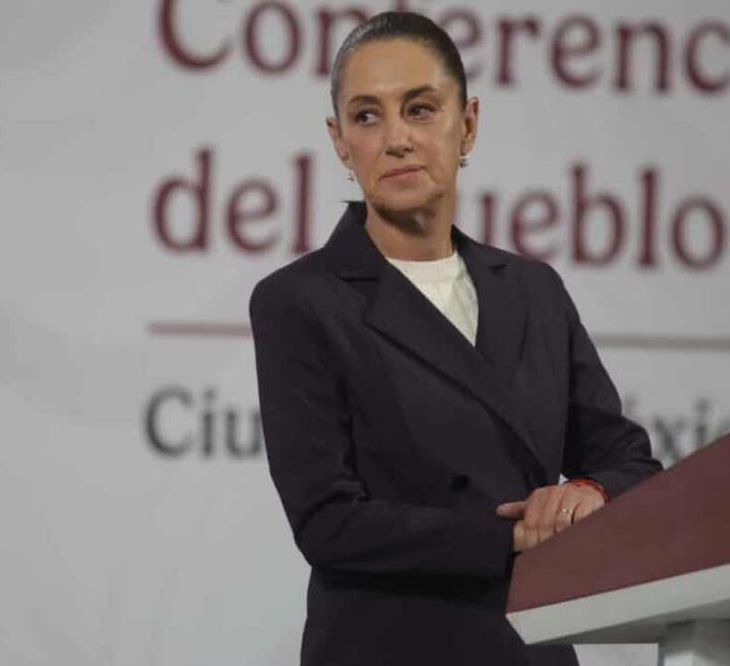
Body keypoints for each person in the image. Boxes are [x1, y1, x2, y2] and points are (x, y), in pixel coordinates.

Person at [249, 11, 662, 666]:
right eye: (366, 117)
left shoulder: (534, 292)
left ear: (467, 124)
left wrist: (588, 494)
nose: (395, 139)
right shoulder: (300, 300)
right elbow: (327, 523)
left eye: (419, 109)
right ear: (338, 142)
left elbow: (629, 459)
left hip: (528, 649)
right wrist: (517, 536)